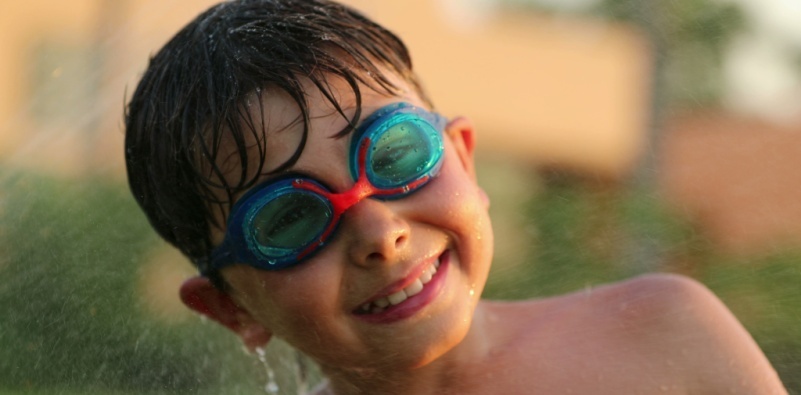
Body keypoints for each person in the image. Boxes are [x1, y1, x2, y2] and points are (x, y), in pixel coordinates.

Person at [124, 0, 788, 393]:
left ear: (462, 156)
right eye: (292, 217)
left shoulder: (659, 335)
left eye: (392, 154)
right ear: (230, 306)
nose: (379, 230)